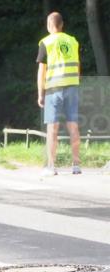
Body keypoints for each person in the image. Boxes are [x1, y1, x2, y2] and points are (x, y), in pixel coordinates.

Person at [37, 12, 82, 176]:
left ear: (49, 26)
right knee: (73, 126)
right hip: (72, 87)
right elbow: (77, 66)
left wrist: (40, 93)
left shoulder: (45, 42)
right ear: (62, 25)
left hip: (54, 89)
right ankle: (76, 165)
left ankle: (51, 166)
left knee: (52, 128)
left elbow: (41, 72)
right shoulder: (72, 41)